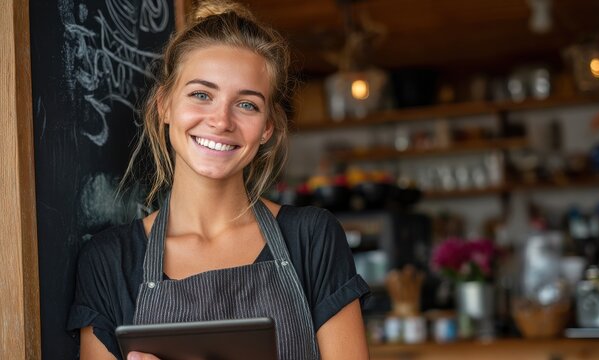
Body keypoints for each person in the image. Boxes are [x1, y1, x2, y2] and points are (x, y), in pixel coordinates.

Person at [66, 1, 371, 359]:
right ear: (164, 105)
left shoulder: (312, 237)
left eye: (247, 104)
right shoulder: (110, 260)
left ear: (267, 128)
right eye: (201, 95)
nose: (222, 120)